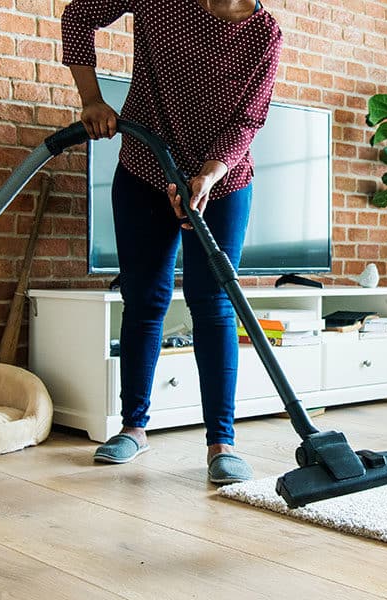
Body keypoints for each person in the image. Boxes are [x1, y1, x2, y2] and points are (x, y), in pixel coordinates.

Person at [60, 0, 282, 483]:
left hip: (221, 184)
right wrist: (91, 99)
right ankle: (133, 427)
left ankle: (221, 442)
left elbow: (248, 121)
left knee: (214, 304)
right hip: (144, 167)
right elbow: (78, 15)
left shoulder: (264, 33)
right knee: (144, 299)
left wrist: (207, 175)